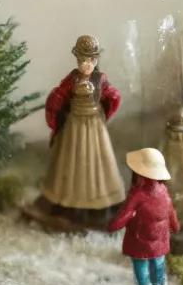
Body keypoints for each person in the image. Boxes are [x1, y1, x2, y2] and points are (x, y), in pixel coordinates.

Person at [38, 35, 124, 229]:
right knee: (73, 162)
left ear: (95, 60)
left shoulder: (100, 80)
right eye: (82, 60)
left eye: (90, 60)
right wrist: (55, 117)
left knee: (97, 163)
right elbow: (58, 96)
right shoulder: (72, 79)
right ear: (77, 60)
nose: (86, 65)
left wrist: (103, 114)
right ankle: (70, 204)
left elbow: (114, 97)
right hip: (74, 127)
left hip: (94, 127)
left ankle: (99, 205)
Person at [109, 148, 180, 285]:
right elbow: (171, 213)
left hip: (140, 240)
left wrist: (114, 225)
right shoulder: (163, 191)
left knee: (141, 266)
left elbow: (124, 214)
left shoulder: (138, 195)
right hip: (160, 240)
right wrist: (175, 226)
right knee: (158, 263)